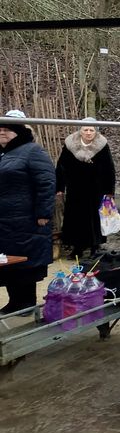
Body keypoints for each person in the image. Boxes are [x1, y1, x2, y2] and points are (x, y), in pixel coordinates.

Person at [0, 110, 56, 315]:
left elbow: (46, 182)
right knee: (9, 262)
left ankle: (26, 303)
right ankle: (14, 302)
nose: (3, 132)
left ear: (19, 132)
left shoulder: (32, 151)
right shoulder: (4, 154)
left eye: (8, 129)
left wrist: (44, 213)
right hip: (5, 221)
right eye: (0, 129)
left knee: (26, 263)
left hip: (27, 220)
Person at [56, 118, 116, 259]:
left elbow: (109, 168)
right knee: (76, 217)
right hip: (75, 187)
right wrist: (60, 186)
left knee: (94, 218)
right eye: (85, 130)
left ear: (96, 131)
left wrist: (109, 190)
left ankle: (95, 247)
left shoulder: (102, 146)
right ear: (80, 131)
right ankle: (77, 248)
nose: (88, 133)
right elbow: (61, 166)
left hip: (96, 188)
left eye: (91, 130)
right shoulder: (70, 144)